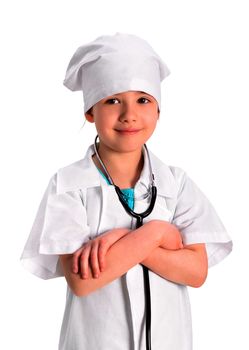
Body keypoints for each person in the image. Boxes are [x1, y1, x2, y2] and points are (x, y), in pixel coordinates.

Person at [20, 33, 233, 350]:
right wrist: (158, 232)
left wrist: (118, 241)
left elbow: (196, 271)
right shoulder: (68, 185)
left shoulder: (178, 184)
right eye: (112, 100)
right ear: (90, 112)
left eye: (143, 99)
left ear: (158, 111)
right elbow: (82, 280)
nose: (129, 114)